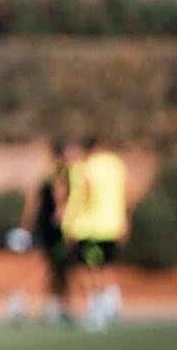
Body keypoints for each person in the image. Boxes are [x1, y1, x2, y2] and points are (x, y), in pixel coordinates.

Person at [67, 135, 128, 331]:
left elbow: (82, 197)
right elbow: (124, 193)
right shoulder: (116, 165)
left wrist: (70, 223)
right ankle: (112, 297)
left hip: (90, 227)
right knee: (106, 266)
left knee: (88, 270)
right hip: (113, 225)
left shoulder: (84, 168)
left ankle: (98, 310)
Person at [31, 138, 73, 325]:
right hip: (56, 230)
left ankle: (58, 305)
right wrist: (61, 213)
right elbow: (58, 192)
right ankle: (55, 306)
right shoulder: (60, 172)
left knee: (58, 268)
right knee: (57, 267)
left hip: (49, 228)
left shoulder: (50, 173)